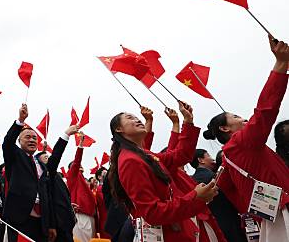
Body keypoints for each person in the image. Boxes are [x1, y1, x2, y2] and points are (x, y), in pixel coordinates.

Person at [204, 36, 289, 241]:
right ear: (225, 128)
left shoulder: (226, 159)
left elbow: (228, 191)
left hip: (270, 219)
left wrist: (256, 211)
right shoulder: (242, 141)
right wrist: (281, 65)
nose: (243, 119)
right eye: (235, 117)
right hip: (283, 211)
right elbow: (265, 112)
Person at [106, 101, 218, 241]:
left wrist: (188, 121)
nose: (137, 119)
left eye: (137, 117)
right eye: (130, 118)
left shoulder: (144, 155)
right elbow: (152, 213)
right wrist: (195, 197)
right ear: (118, 129)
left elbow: (181, 155)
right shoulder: (130, 161)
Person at [2, 103, 78, 242]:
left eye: (34, 138)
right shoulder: (15, 157)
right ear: (19, 142)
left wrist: (65, 134)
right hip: (20, 219)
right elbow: (7, 143)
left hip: (41, 222)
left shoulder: (43, 166)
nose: (32, 140)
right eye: (27, 137)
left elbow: (47, 195)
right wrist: (20, 121)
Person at [66, 134, 97, 242]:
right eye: (77, 166)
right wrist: (80, 146)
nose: (80, 167)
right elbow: (76, 162)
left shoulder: (83, 180)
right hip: (80, 216)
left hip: (90, 216)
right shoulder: (72, 176)